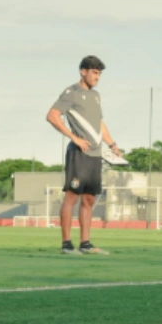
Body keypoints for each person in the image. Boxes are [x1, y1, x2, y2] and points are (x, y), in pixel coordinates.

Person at [46, 55, 125, 255]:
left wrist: (113, 145)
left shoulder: (96, 96)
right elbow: (52, 116)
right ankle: (66, 245)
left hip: (96, 155)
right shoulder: (71, 92)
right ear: (83, 71)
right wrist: (74, 138)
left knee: (89, 199)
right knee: (71, 197)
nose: (97, 77)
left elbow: (99, 123)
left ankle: (85, 244)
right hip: (78, 154)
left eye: (99, 74)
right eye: (94, 72)